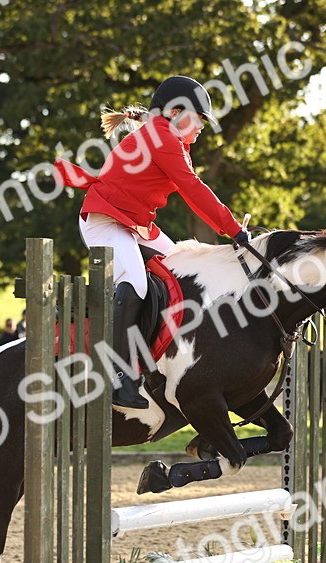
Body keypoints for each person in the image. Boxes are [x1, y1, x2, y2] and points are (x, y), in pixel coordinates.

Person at [54, 75, 247, 409]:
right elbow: (193, 189)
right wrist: (235, 232)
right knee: (136, 282)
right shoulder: (163, 137)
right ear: (175, 112)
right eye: (199, 118)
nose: (202, 127)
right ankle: (116, 374)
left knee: (182, 263)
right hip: (105, 221)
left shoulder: (166, 134)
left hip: (135, 224)